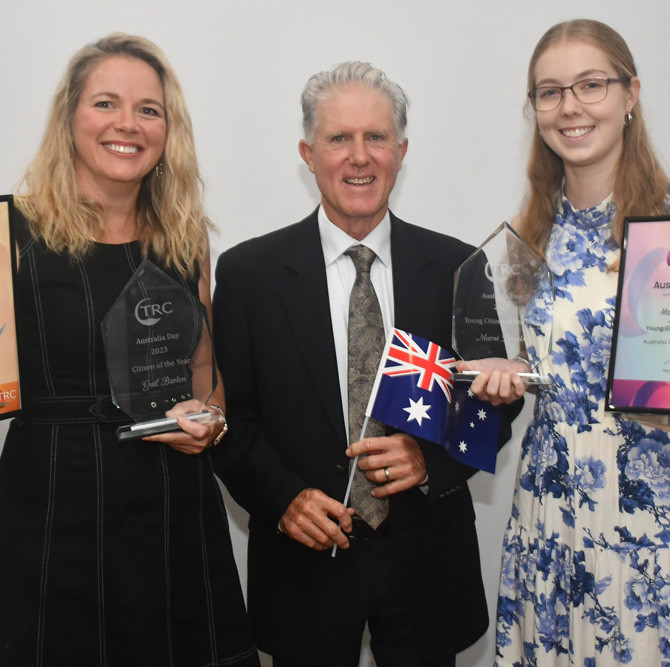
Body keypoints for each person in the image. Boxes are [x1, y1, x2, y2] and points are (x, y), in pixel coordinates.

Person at [0, 34, 258, 666]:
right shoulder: (1, 236)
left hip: (176, 520)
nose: (127, 124)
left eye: (149, 109)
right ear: (69, 118)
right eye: (106, 104)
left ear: (170, 130)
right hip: (54, 522)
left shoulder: (186, 238)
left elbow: (206, 375)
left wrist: (211, 416)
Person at [456, 19, 670, 666]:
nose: (570, 107)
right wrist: (507, 371)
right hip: (548, 511)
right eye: (550, 92)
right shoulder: (527, 233)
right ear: (535, 109)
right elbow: (549, 362)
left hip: (649, 518)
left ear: (631, 94)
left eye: (590, 85)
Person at [210, 61, 520, 667]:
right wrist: (284, 501)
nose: (359, 156)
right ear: (308, 152)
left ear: (401, 152)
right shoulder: (248, 275)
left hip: (427, 560)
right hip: (305, 561)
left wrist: (429, 459)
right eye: (339, 138)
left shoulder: (460, 268)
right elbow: (230, 420)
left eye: (376, 137)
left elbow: (496, 402)